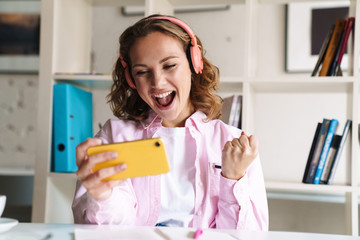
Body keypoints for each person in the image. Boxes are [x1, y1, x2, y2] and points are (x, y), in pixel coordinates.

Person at [72, 14, 268, 230]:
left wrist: (233, 179)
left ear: (194, 63)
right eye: (142, 72)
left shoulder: (234, 144)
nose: (157, 82)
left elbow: (248, 236)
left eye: (169, 65)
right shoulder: (114, 137)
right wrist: (102, 195)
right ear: (131, 80)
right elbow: (110, 232)